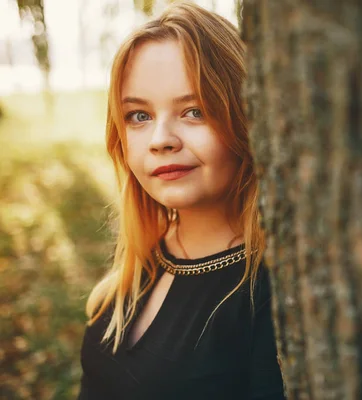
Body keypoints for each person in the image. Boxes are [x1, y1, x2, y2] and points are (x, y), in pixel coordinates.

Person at [77, 2, 285, 399]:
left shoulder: (268, 291)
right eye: (139, 116)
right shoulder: (142, 259)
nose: (161, 140)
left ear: (244, 117)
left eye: (194, 111)